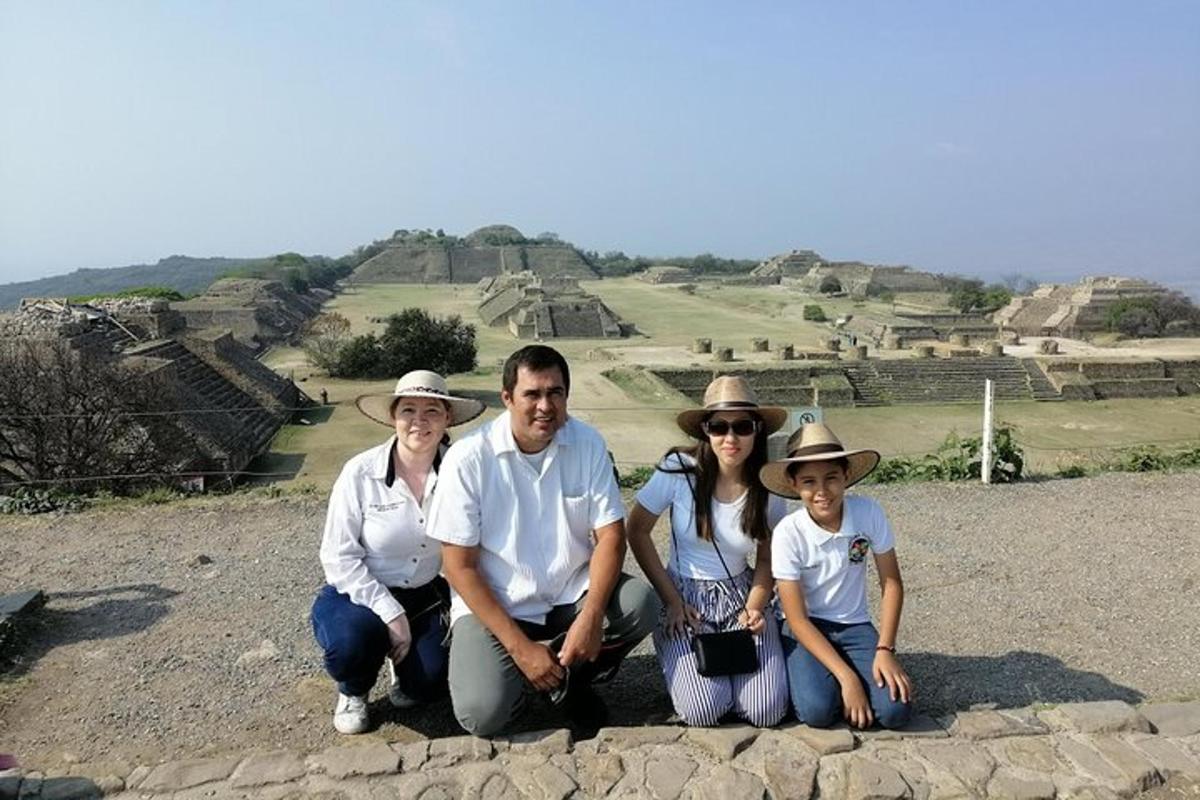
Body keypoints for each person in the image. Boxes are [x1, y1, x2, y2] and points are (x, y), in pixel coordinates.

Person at [426, 344, 659, 737]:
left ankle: (569, 680)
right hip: (500, 599)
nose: (545, 406)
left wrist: (590, 617)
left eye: (555, 393)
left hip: (569, 590)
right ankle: (537, 676)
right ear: (507, 398)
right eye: (532, 394)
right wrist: (520, 649)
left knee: (641, 605)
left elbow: (611, 536)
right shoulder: (468, 458)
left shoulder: (587, 443)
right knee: (482, 715)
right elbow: (457, 566)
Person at [310, 370, 485, 735]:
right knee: (350, 644)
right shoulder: (359, 473)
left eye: (432, 411)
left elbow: (472, 548)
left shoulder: (464, 472)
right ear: (393, 416)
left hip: (424, 594)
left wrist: (462, 612)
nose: (419, 421)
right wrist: (392, 613)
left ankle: (403, 670)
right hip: (358, 593)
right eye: (408, 410)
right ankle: (353, 690)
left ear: (448, 418)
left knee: (427, 685)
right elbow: (338, 558)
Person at [626, 375, 791, 727]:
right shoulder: (678, 470)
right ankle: (696, 675)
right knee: (704, 710)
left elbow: (766, 557)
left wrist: (756, 606)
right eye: (719, 427)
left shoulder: (767, 486)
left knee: (766, 711)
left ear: (757, 430)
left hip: (741, 594)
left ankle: (725, 682)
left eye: (742, 426)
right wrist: (669, 600)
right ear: (705, 430)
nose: (730, 438)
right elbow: (637, 529)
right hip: (684, 597)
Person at [760, 423, 913, 729]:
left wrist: (885, 649)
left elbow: (892, 582)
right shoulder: (789, 533)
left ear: (846, 476)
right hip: (804, 627)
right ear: (793, 485)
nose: (821, 491)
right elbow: (797, 617)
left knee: (895, 712)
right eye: (808, 482)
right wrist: (847, 678)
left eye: (831, 478)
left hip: (854, 623)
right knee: (818, 711)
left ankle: (850, 672)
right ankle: (842, 676)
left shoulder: (868, 512)